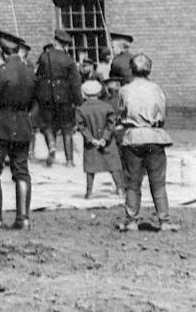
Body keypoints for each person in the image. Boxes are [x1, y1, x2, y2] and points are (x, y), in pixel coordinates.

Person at [0, 30, 38, 232]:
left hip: (0, 126)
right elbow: (34, 102)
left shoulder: (1, 72)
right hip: (22, 125)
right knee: (21, 171)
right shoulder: (30, 72)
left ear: (2, 51)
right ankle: (23, 218)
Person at [112, 53, 176, 233]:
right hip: (154, 136)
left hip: (133, 137)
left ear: (132, 70)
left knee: (132, 182)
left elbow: (122, 114)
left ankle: (131, 220)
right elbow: (162, 115)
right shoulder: (157, 89)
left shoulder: (124, 90)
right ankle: (164, 220)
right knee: (158, 182)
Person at [34, 30, 82, 167]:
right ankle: (69, 161)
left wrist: (38, 96)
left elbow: (37, 78)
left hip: (47, 98)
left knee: (47, 125)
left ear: (55, 42)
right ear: (66, 45)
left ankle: (52, 146)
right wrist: (78, 102)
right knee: (67, 128)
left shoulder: (44, 57)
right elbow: (75, 82)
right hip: (65, 99)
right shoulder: (69, 60)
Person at [75, 78, 121, 198]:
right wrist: (105, 138)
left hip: (91, 143)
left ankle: (89, 192)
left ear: (84, 93)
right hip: (107, 142)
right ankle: (120, 189)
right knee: (113, 166)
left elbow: (81, 127)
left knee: (90, 169)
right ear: (100, 92)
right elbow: (111, 124)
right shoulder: (107, 107)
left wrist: (91, 139)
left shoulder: (81, 109)